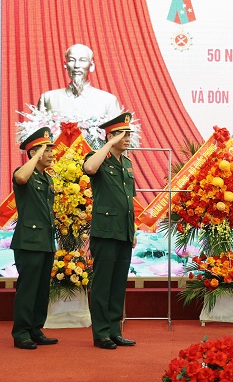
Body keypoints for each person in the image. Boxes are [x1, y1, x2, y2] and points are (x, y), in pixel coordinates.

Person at [83, 112, 137, 349]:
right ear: (110, 136)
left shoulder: (127, 163)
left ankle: (115, 331)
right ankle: (101, 333)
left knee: (117, 285)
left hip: (124, 231)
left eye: (128, 134)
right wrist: (108, 145)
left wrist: (133, 230)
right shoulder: (98, 158)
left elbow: (128, 200)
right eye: (122, 135)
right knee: (103, 284)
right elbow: (89, 168)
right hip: (105, 232)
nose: (127, 138)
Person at [10, 127, 58, 350]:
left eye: (50, 150)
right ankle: (21, 332)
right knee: (28, 289)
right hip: (29, 240)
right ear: (33, 153)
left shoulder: (46, 178)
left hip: (45, 240)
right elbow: (20, 178)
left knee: (41, 290)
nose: (50, 154)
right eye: (46, 150)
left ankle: (35, 329)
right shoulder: (24, 173)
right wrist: (35, 155)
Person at [38, 43, 121, 118]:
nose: (76, 65)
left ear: (91, 66)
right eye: (71, 60)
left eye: (82, 60)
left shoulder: (108, 100)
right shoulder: (48, 98)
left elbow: (117, 130)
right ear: (65, 65)